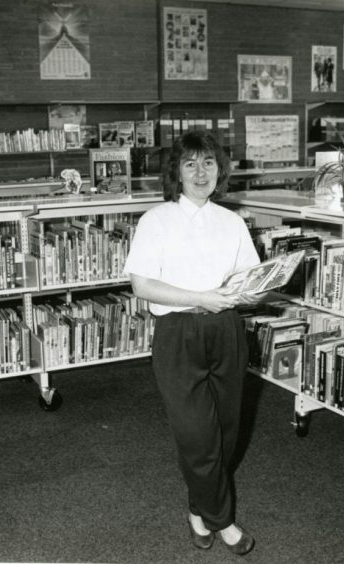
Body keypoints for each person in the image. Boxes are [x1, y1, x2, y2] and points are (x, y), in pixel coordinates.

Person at [123, 130, 262, 556]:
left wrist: (259, 289)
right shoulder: (156, 220)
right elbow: (141, 285)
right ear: (176, 173)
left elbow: (249, 280)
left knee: (225, 433)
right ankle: (223, 521)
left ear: (219, 170)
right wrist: (201, 298)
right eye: (190, 164)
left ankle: (198, 508)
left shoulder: (232, 221)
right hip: (179, 334)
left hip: (226, 331)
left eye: (208, 163)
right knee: (195, 435)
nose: (201, 172)